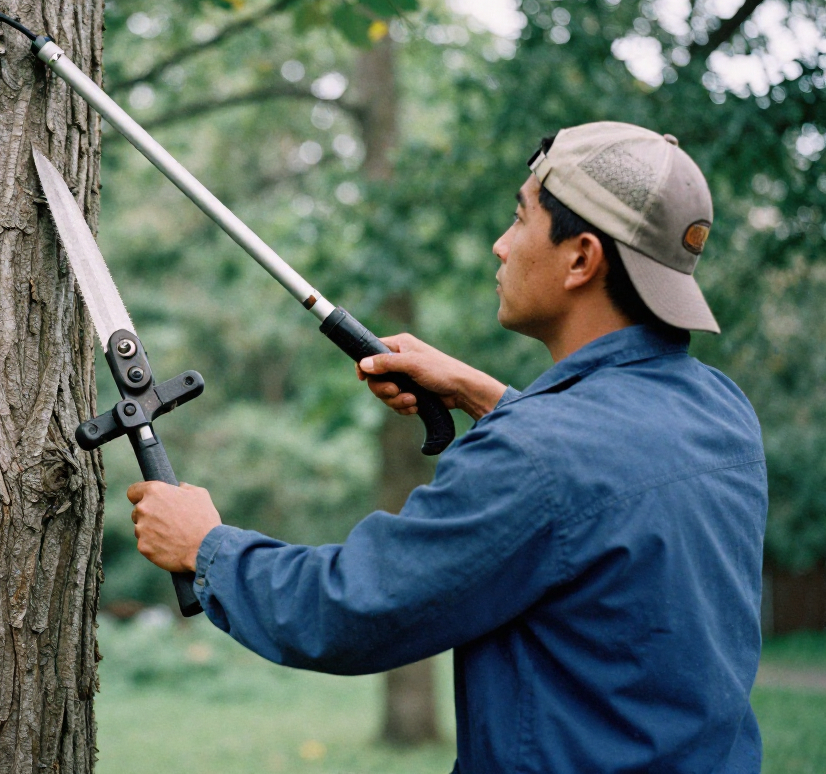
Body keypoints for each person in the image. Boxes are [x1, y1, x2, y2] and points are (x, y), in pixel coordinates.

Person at [126, 122, 767, 773]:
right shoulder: (720, 411)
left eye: (520, 219)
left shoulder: (538, 455)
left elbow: (351, 610)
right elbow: (600, 479)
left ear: (581, 258)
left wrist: (207, 549)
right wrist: (484, 393)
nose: (501, 245)